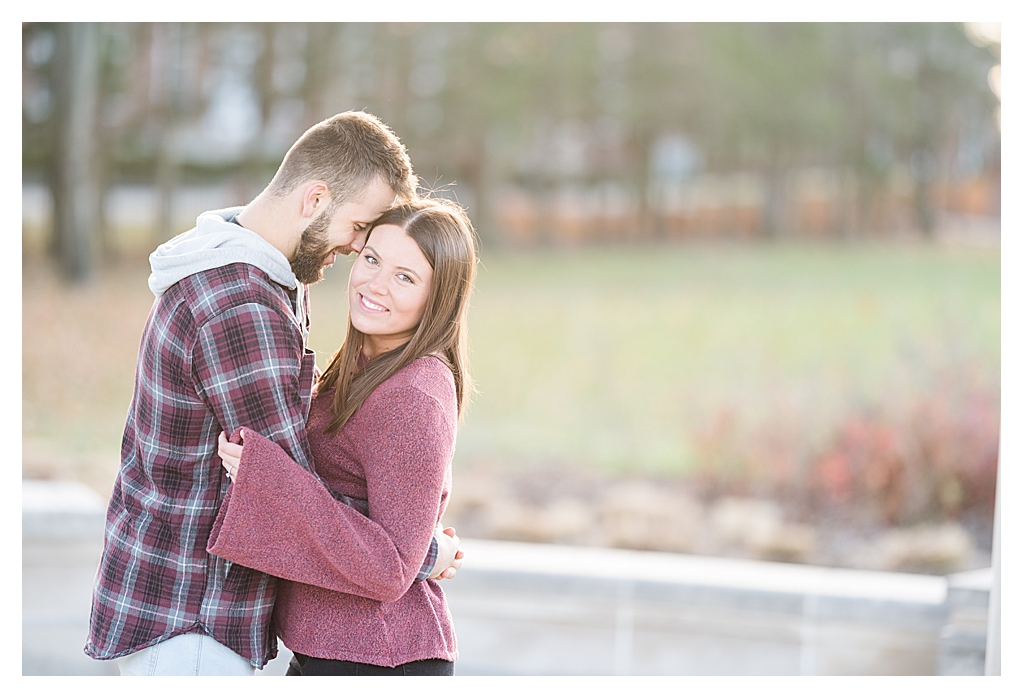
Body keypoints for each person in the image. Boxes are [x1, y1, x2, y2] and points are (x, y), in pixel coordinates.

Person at [85, 111, 461, 676]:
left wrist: (406, 549)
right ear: (314, 200)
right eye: (361, 231)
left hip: (186, 605)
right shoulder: (244, 305)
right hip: (193, 614)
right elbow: (291, 485)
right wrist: (423, 554)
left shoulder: (256, 275)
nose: (357, 251)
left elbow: (294, 486)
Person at [209, 197, 477, 676]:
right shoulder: (365, 366)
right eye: (372, 259)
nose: (374, 284)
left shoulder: (413, 395)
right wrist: (428, 551)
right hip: (340, 652)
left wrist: (268, 478)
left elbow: (391, 563)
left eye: (405, 277)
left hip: (378, 657)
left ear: (438, 299)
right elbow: (386, 527)